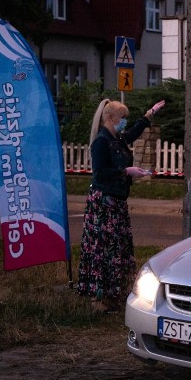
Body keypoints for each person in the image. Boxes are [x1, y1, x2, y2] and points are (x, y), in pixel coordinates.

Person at [77, 98, 165, 313]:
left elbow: (133, 133)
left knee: (116, 250)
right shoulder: (101, 142)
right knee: (103, 250)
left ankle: (112, 295)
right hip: (104, 204)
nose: (124, 122)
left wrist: (149, 114)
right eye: (122, 118)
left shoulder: (117, 139)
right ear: (110, 118)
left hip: (117, 202)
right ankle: (98, 299)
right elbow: (100, 172)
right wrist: (126, 172)